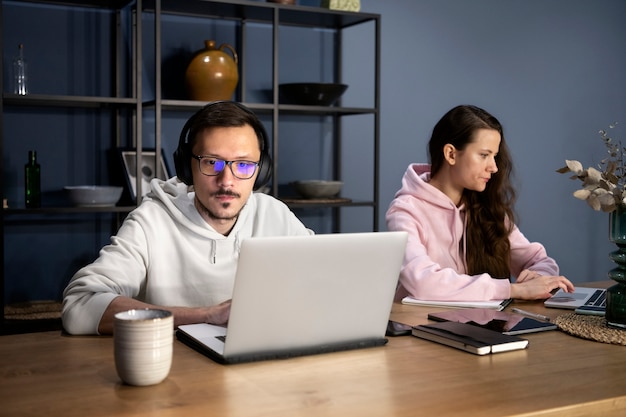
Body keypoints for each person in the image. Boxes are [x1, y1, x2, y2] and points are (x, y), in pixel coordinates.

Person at [62, 101, 313, 335]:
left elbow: (324, 283)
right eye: (211, 162)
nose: (226, 181)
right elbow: (80, 305)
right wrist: (205, 315)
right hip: (175, 369)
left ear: (261, 171)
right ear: (186, 168)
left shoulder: (275, 215)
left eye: (244, 165)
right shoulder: (152, 222)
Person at [386, 104, 574, 302]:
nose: (493, 167)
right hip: (421, 329)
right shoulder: (406, 211)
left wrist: (538, 277)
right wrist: (513, 290)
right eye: (484, 155)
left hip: (481, 326)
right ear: (451, 154)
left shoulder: (485, 207)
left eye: (494, 156)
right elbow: (423, 283)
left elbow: (537, 260)